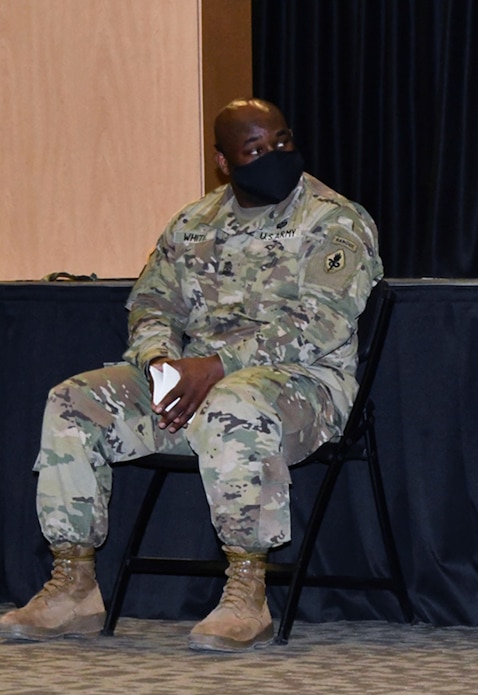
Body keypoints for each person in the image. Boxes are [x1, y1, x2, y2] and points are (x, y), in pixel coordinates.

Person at [0, 99, 383, 652]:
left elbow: (321, 324)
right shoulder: (194, 222)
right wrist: (159, 362)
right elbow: (152, 303)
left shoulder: (334, 220)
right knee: (73, 400)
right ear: (224, 162)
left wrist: (217, 366)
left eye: (282, 142)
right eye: (255, 150)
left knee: (235, 404)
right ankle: (73, 585)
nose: (273, 156)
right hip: (191, 384)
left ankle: (247, 590)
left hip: (302, 386)